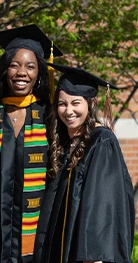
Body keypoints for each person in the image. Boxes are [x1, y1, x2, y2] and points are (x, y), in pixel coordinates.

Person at [0, 24, 63, 263]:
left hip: (34, 234)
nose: (22, 72)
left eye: (30, 66)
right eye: (15, 65)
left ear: (39, 73)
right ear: (4, 70)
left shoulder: (50, 118)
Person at [35, 63, 134, 263]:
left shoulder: (102, 141)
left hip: (86, 254)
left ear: (90, 104)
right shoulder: (63, 142)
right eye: (62, 103)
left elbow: (103, 204)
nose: (68, 110)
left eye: (75, 103)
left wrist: (94, 256)